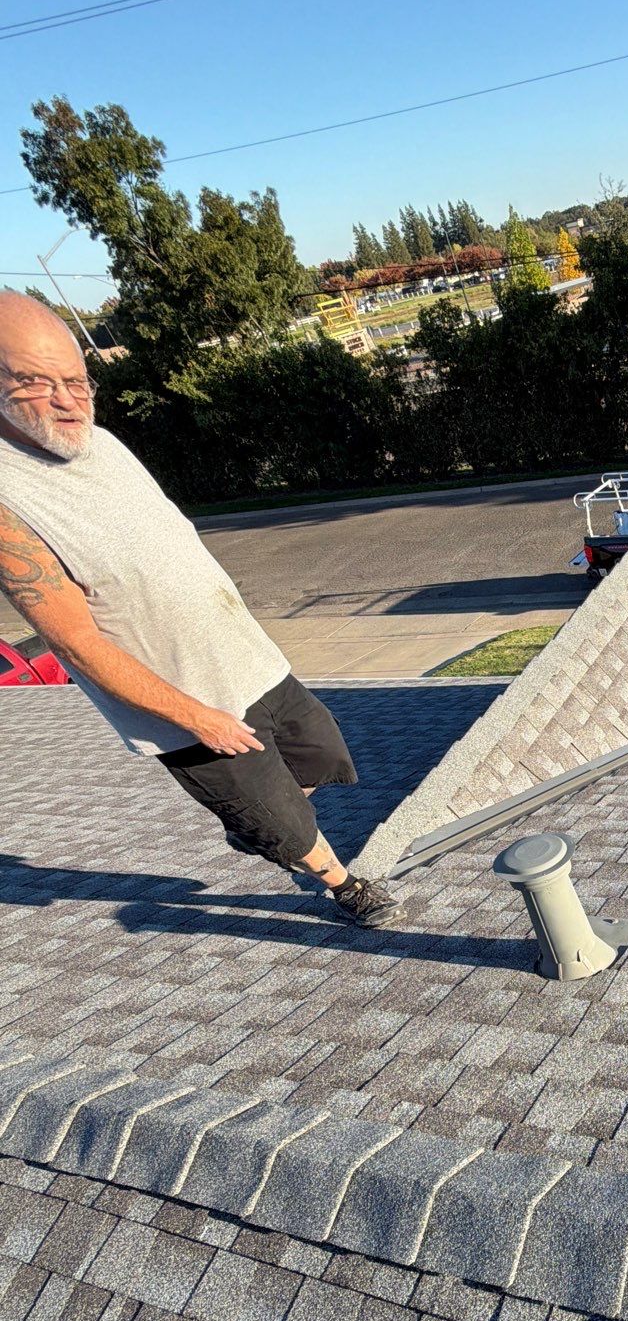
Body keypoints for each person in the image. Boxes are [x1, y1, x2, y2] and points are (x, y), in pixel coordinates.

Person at [0, 291, 400, 928]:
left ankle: (257, 824)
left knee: (321, 755)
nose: (68, 399)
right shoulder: (6, 499)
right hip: (188, 706)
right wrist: (196, 719)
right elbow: (75, 644)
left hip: (251, 662)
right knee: (287, 825)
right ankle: (343, 885)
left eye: (76, 379)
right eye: (35, 381)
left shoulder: (101, 445)